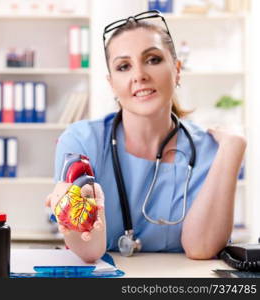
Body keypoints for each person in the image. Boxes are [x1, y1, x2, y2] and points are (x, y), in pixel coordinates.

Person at [45, 11, 246, 263]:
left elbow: (201, 248)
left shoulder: (210, 149)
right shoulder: (81, 142)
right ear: (112, 84)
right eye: (124, 66)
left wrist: (233, 148)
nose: (139, 75)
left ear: (177, 70)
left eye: (152, 59)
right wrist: (79, 214)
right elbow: (89, 252)